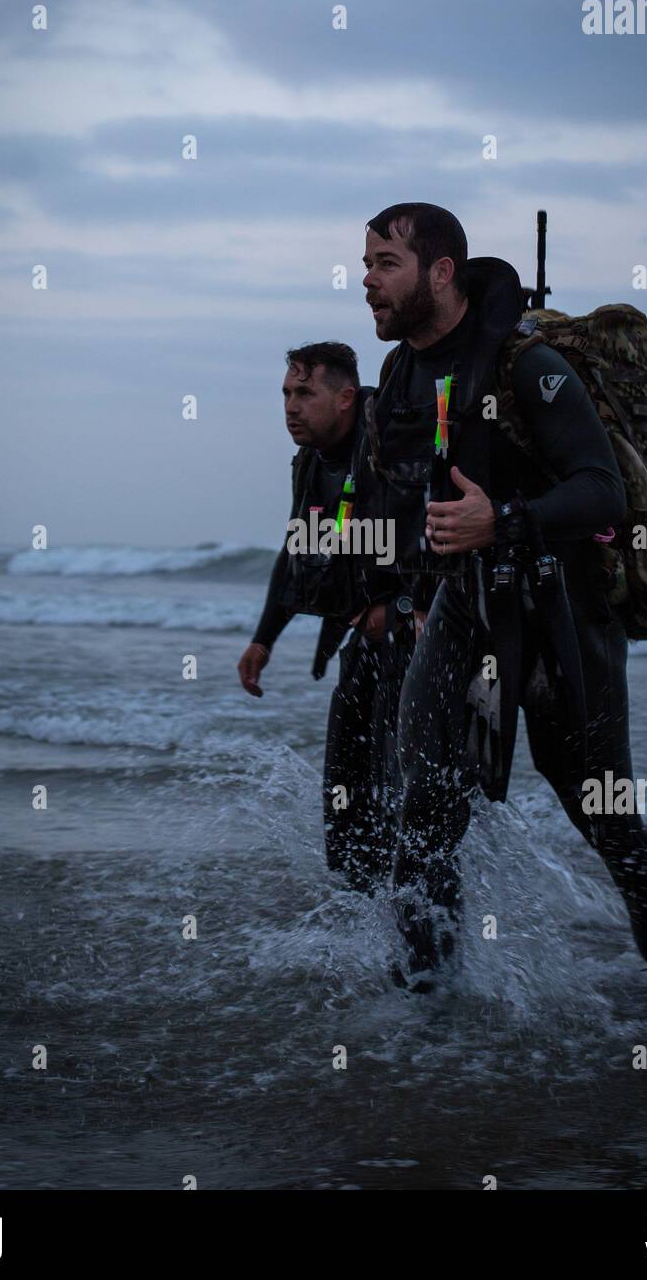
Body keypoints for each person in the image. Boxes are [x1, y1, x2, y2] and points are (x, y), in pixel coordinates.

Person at [356, 202, 647, 992]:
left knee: (606, 819)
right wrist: (402, 592)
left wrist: (503, 520)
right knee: (425, 817)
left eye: (384, 264)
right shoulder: (401, 371)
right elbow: (405, 499)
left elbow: (601, 494)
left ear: (440, 272)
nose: (367, 282)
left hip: (560, 615)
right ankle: (426, 1011)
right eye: (366, 265)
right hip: (460, 611)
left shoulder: (525, 365)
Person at [237, 342, 418, 894]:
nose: (291, 406)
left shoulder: (392, 442)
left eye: (304, 393)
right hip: (365, 640)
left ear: (344, 398)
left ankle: (419, 937)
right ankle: (363, 933)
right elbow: (300, 552)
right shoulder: (313, 462)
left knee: (399, 800)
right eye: (287, 394)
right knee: (343, 806)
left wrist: (401, 607)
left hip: (425, 639)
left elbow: (445, 539)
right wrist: (264, 641)